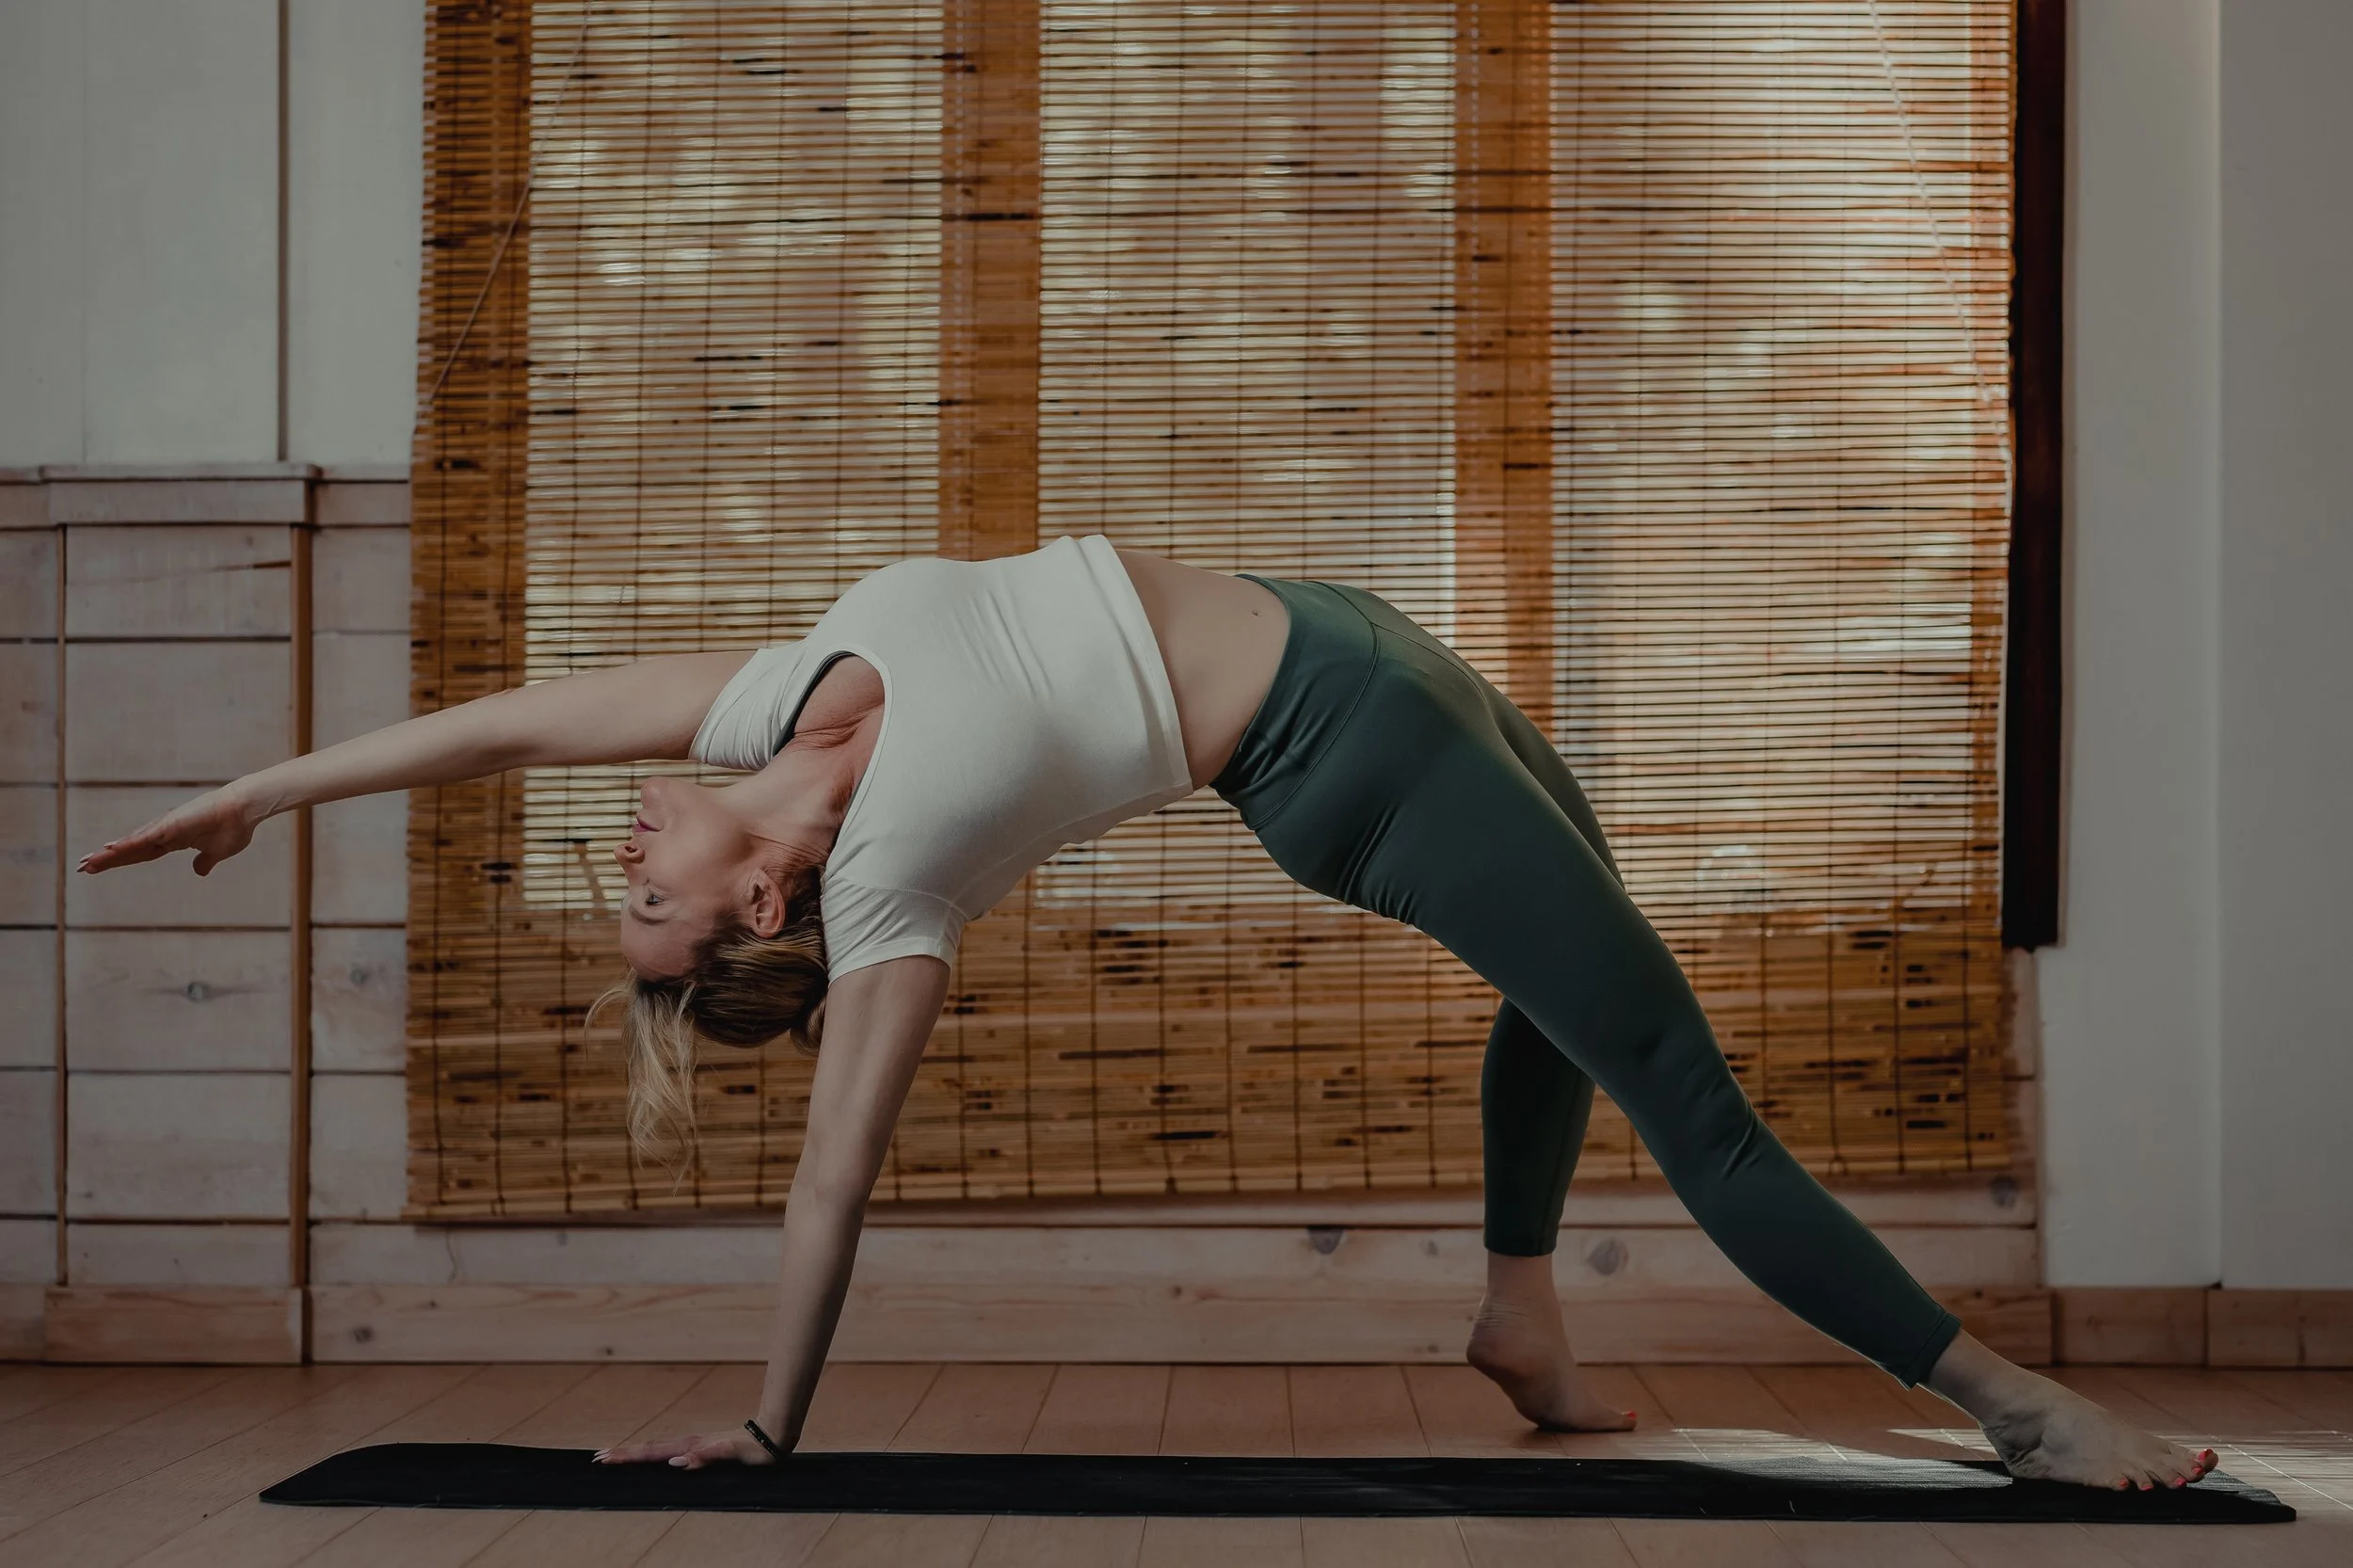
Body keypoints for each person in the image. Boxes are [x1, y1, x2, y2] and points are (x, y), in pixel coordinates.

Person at [81, 535, 2214, 1491]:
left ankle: (1519, 1317)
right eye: (635, 899)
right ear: (761, 899)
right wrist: (766, 1422)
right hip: (1348, 759)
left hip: (1378, 645)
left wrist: (254, 791)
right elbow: (834, 1176)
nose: (611, 852)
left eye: (607, 880)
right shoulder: (894, 865)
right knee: (1681, 1080)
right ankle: (2021, 1406)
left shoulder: (761, 704)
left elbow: (501, 727)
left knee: (1579, 993)